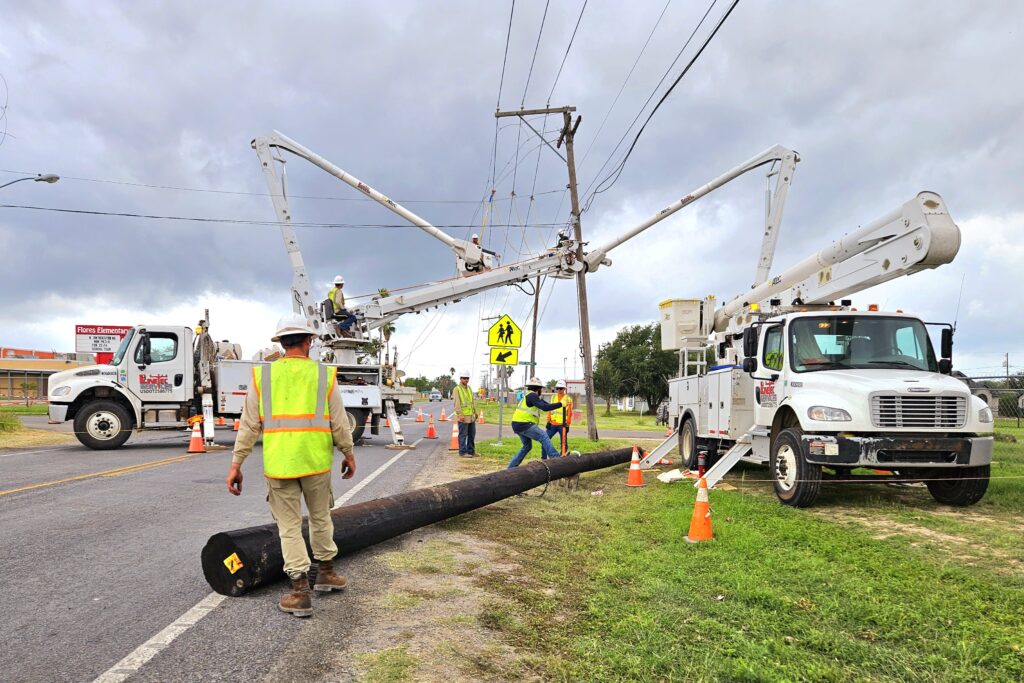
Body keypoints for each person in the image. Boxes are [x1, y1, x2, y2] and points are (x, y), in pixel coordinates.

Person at [226, 314, 357, 618]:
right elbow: (339, 422)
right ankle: (326, 572)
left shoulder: (263, 377)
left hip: (280, 465)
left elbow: (248, 426)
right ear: (309, 341)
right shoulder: (325, 376)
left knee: (289, 527)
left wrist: (236, 464)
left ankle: (300, 592)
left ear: (281, 343)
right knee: (321, 517)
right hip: (316, 462)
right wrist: (348, 454)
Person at [507, 377, 563, 469]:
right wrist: (561, 404)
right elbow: (544, 407)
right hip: (524, 424)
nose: (541, 390)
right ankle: (556, 458)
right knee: (544, 436)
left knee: (527, 446)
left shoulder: (532, 396)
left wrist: (560, 403)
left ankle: (511, 468)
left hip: (517, 424)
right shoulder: (532, 396)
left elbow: (547, 405)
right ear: (538, 389)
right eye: (541, 388)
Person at [452, 369, 477, 458]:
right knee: (463, 435)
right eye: (464, 378)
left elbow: (472, 401)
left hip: (471, 416)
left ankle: (471, 451)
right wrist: (460, 414)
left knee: (472, 434)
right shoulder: (457, 389)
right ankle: (462, 452)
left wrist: (475, 412)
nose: (466, 380)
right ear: (461, 379)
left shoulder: (469, 388)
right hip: (463, 416)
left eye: (467, 378)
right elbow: (457, 403)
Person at [545, 380, 573, 455]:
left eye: (561, 388)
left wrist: (568, 424)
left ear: (564, 389)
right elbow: (549, 409)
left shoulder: (568, 399)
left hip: (562, 425)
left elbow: (570, 413)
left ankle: (562, 457)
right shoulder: (553, 397)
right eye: (558, 388)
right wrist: (548, 421)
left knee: (564, 443)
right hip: (552, 424)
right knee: (545, 439)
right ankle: (543, 458)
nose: (559, 390)